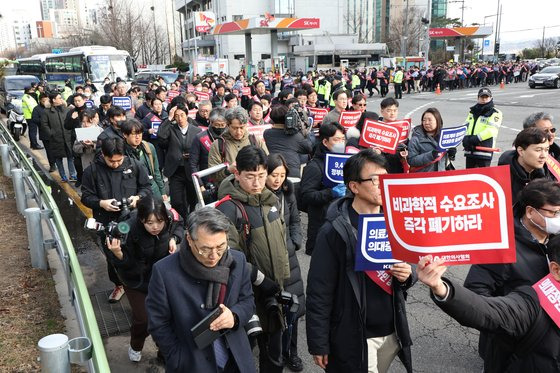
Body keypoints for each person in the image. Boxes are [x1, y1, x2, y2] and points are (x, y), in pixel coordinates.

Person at [306, 149, 415, 373]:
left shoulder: (396, 222)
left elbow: (410, 263)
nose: (382, 184)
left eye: (385, 178)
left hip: (392, 331)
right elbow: (319, 291)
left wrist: (408, 274)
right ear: (354, 186)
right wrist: (319, 342)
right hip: (356, 335)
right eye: (375, 180)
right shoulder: (334, 231)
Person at [146, 207, 257, 373]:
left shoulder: (238, 260)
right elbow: (158, 324)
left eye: (221, 247)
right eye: (205, 249)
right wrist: (177, 358)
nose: (214, 256)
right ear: (189, 239)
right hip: (191, 362)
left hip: (236, 358)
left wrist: (234, 316)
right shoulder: (164, 272)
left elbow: (248, 301)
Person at [417, 246, 560, 373]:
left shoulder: (551, 240)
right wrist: (441, 288)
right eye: (551, 213)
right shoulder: (532, 304)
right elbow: (487, 310)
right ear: (556, 270)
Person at [464, 180, 560, 361]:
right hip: (513, 343)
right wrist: (509, 320)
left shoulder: (555, 238)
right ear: (531, 212)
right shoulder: (501, 246)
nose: (558, 218)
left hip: (550, 339)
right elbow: (475, 292)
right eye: (554, 213)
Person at [215, 146, 290, 373]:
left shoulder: (272, 201)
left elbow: (282, 246)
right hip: (245, 295)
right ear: (237, 174)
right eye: (250, 176)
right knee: (242, 355)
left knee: (274, 354)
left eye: (261, 176)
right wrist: (260, 280)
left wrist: (284, 282)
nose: (257, 183)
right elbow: (228, 256)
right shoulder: (229, 209)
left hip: (274, 293)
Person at [106, 196, 183, 362]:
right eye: (149, 223)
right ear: (141, 220)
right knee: (144, 318)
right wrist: (119, 254)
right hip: (135, 280)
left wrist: (174, 238)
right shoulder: (128, 228)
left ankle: (164, 351)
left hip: (161, 278)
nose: (155, 227)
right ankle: (136, 345)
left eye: (159, 222)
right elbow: (125, 264)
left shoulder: (170, 217)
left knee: (167, 316)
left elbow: (180, 225)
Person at [81, 137, 153, 302]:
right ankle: (119, 285)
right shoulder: (92, 171)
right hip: (107, 222)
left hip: (134, 220)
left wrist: (138, 198)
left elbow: (147, 188)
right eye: (111, 161)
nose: (115, 164)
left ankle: (144, 284)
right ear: (103, 155)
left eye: (119, 160)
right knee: (113, 255)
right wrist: (101, 203)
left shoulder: (135, 165)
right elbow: (85, 196)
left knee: (140, 253)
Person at [265, 154, 306, 372]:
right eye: (274, 175)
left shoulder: (288, 193)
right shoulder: (259, 196)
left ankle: (292, 352)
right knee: (274, 310)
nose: (278, 179)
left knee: (293, 308)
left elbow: (296, 220)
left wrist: (296, 242)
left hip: (290, 258)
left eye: (282, 175)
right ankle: (276, 352)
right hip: (269, 260)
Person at [299, 122, 347, 256]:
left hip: (341, 223)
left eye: (343, 139)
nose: (341, 143)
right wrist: (331, 193)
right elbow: (306, 196)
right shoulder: (315, 166)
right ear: (325, 142)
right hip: (321, 224)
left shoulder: (346, 162)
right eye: (337, 140)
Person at [158, 103, 202, 218]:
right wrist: (169, 119)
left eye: (182, 115)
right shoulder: (171, 129)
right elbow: (161, 136)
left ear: (187, 115)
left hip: (191, 169)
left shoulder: (196, 130)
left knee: (192, 199)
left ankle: (191, 219)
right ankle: (181, 220)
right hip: (175, 169)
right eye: (177, 116)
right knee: (176, 200)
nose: (180, 118)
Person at [207, 107, 268, 185]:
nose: (238, 132)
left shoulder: (256, 141)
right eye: (235, 128)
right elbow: (213, 175)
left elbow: (267, 165)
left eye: (242, 127)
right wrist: (228, 171)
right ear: (228, 125)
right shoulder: (218, 145)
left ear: (246, 125)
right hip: (230, 190)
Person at [498, 128, 554, 205]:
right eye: (538, 150)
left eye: (546, 150)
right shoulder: (500, 178)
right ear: (521, 151)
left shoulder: (545, 173)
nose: (543, 155)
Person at [121, 119, 167, 200]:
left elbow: (156, 171)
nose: (138, 137)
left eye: (139, 133)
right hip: (133, 191)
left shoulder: (149, 147)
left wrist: (162, 191)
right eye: (134, 134)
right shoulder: (121, 151)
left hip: (152, 186)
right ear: (125, 135)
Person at [263, 106, 313, 179]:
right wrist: (305, 132)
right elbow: (308, 148)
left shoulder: (267, 133)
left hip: (273, 174)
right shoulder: (296, 135)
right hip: (292, 174)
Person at [40, 92, 77, 182]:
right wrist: (51, 133)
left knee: (70, 156)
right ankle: (63, 176)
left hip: (68, 137)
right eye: (59, 98)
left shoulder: (66, 109)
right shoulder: (46, 111)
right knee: (58, 158)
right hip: (55, 138)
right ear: (53, 100)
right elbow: (44, 124)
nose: (61, 99)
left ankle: (72, 174)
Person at [462, 88, 503, 168]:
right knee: (469, 177)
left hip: (484, 150)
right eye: (482, 97)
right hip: (470, 150)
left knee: (482, 177)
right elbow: (465, 126)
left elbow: (492, 130)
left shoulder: (495, 113)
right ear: (478, 98)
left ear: (491, 98)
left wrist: (476, 138)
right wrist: (464, 138)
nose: (484, 99)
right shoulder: (472, 112)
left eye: (486, 97)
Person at [408, 108, 456, 172]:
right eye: (424, 120)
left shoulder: (444, 137)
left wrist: (451, 154)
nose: (426, 123)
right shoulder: (416, 139)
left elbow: (445, 161)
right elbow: (411, 160)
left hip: (441, 176)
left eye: (429, 120)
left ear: (437, 121)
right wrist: (431, 155)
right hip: (424, 178)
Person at [190, 107, 228, 183]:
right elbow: (193, 164)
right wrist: (200, 184)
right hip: (207, 180)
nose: (220, 128)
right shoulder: (200, 138)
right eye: (217, 125)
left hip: (227, 179)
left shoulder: (229, 137)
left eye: (222, 125)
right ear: (211, 122)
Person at [72, 109, 101, 176]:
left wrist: (93, 145)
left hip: (99, 162)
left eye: (88, 122)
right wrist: (83, 146)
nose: (86, 124)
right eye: (83, 122)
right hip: (86, 162)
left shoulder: (100, 130)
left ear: (93, 120)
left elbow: (105, 147)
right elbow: (75, 148)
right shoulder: (81, 132)